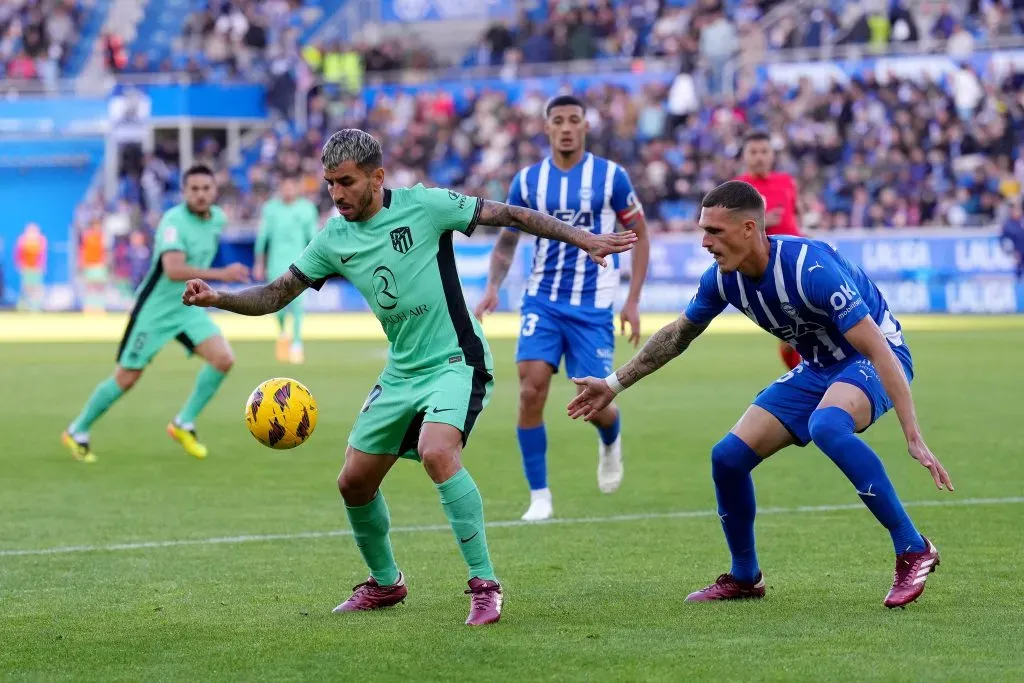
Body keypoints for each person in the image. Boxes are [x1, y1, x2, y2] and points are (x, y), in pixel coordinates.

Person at [181, 129, 636, 626]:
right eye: (329, 183)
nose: (336, 194)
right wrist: (219, 298)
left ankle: (485, 585)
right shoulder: (334, 238)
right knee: (353, 483)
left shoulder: (426, 206)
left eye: (346, 182)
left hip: (454, 359)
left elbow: (508, 214)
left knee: (437, 452)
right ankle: (385, 583)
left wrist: (584, 238)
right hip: (401, 372)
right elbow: (275, 294)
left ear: (377, 177)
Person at [568, 181, 953, 609]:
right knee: (727, 458)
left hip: (877, 357)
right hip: (819, 368)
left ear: (749, 227)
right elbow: (677, 336)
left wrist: (912, 434)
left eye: (715, 231)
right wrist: (613, 383)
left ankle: (913, 547)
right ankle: (746, 576)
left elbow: (878, 348)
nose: (705, 242)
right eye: (703, 230)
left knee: (826, 425)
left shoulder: (810, 268)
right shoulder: (723, 279)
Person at [475, 94, 650, 522]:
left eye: (574, 120)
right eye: (559, 121)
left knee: (594, 401)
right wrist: (493, 287)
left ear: (585, 127)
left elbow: (639, 234)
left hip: (592, 305)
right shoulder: (528, 182)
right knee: (530, 387)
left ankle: (610, 438)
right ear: (548, 128)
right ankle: (540, 496)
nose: (567, 127)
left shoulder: (611, 178)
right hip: (543, 299)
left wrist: (631, 299)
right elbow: (508, 240)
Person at [62, 165, 250, 464]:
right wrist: (221, 274)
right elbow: (174, 270)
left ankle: (183, 423)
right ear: (184, 192)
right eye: (194, 189)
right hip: (155, 311)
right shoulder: (173, 222)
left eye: (206, 188)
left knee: (223, 359)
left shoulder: (217, 219)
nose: (201, 194)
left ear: (214, 191)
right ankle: (77, 430)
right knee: (127, 377)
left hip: (187, 309)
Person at [735, 131, 803, 370]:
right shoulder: (739, 188)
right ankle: (802, 375)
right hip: (769, 266)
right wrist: (761, 220)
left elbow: (796, 215)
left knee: (808, 326)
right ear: (745, 156)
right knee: (792, 330)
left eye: (764, 151)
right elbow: (733, 230)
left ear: (772, 155)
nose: (759, 157)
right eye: (753, 152)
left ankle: (807, 375)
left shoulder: (786, 181)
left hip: (797, 261)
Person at [253, 172, 320, 363]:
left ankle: (297, 344)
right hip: (276, 263)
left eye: (292, 186)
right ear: (280, 187)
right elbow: (262, 237)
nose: (288, 190)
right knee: (277, 304)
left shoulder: (307, 209)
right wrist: (259, 263)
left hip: (300, 264)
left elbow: (313, 239)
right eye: (285, 186)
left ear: (297, 187)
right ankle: (283, 333)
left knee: (298, 305)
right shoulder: (270, 209)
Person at [15, 222, 47, 311]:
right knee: (26, 287)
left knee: (36, 287)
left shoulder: (41, 240)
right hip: (26, 268)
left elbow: (42, 255)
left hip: (37, 268)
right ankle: (23, 306)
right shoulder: (22, 240)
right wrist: (19, 264)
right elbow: (18, 253)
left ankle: (35, 307)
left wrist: (42, 265)